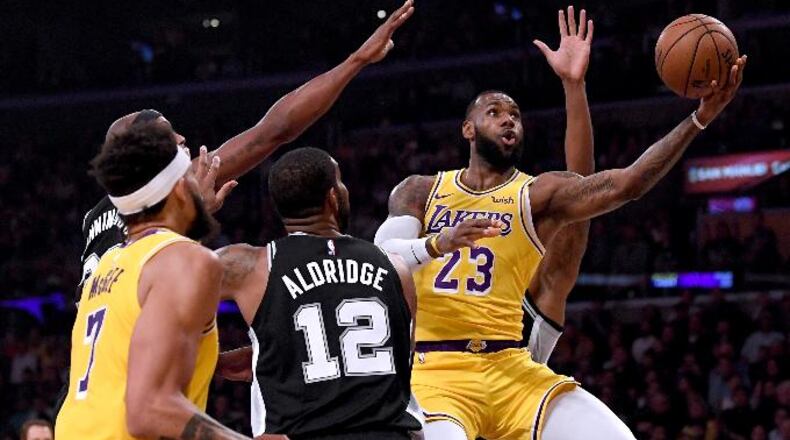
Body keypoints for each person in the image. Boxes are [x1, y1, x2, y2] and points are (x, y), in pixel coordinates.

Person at [374, 4, 748, 437]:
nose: (508, 119)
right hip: (435, 369)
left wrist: (698, 118)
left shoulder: (536, 195)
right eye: (494, 112)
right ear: (467, 129)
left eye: (514, 114)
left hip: (511, 368)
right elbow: (382, 258)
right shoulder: (420, 191)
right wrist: (438, 243)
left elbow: (621, 185)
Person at [55, 120, 250, 438]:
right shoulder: (182, 259)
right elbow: (149, 410)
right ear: (179, 189)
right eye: (191, 175)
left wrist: (209, 359)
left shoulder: (106, 269)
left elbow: (121, 367)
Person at [215, 147, 422, 439]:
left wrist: (197, 212)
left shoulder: (249, 266)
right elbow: (402, 356)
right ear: (333, 197)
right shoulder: (394, 266)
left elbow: (158, 284)